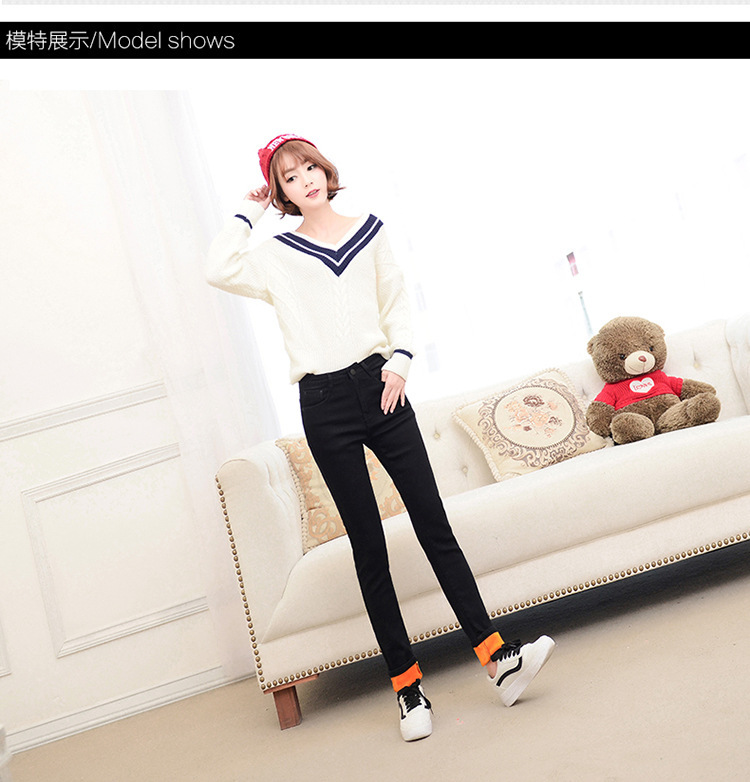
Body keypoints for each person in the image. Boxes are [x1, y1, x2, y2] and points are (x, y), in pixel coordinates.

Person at [206, 133, 555, 742]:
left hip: (382, 387)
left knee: (433, 524)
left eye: (309, 167)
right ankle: (407, 688)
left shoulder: (370, 230)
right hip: (323, 404)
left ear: (325, 169)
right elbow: (218, 268)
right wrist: (248, 211)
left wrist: (401, 361)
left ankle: (499, 659)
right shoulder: (277, 253)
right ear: (281, 191)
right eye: (289, 177)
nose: (305, 180)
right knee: (368, 547)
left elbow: (397, 304)